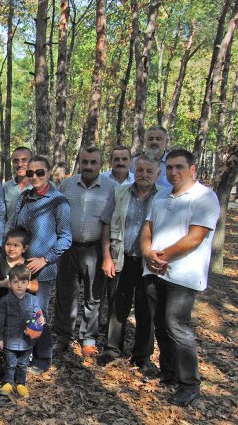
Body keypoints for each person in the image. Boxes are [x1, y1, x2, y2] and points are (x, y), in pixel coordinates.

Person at [140, 149, 219, 407]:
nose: (174, 172)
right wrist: (147, 252)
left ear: (192, 168)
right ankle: (169, 373)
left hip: (182, 275)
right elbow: (147, 228)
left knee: (177, 326)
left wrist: (164, 256)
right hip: (154, 270)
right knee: (160, 323)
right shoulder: (161, 196)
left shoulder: (205, 197)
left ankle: (190, 384)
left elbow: (195, 237)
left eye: (179, 167)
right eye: (170, 167)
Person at [98, 154, 161, 370]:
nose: (144, 175)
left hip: (148, 264)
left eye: (149, 171)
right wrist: (107, 257)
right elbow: (106, 224)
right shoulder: (120, 192)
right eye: (141, 170)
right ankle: (112, 349)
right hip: (121, 258)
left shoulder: (163, 197)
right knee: (117, 306)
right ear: (135, 170)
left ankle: (142, 356)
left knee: (147, 310)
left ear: (157, 174)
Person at [54, 146, 117, 357]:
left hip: (96, 248)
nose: (88, 166)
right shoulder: (67, 185)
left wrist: (108, 254)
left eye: (93, 162)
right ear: (80, 162)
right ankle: (63, 336)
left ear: (101, 164)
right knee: (65, 294)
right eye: (85, 162)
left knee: (93, 296)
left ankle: (88, 338)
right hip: (68, 248)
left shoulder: (111, 188)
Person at [11, 155, 72, 375]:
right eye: (30, 173)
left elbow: (66, 238)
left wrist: (44, 259)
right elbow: (15, 227)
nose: (34, 177)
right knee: (21, 310)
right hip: (20, 267)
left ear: (48, 173)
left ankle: (43, 358)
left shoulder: (59, 201)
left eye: (39, 172)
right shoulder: (24, 197)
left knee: (39, 312)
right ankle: (22, 352)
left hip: (42, 270)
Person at [0, 264, 42, 399]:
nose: (19, 285)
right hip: (10, 340)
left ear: (28, 283)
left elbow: (38, 314)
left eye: (23, 282)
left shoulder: (33, 299)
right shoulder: (5, 300)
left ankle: (21, 383)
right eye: (15, 282)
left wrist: (40, 319)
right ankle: (8, 382)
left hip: (27, 340)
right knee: (10, 363)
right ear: (9, 284)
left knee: (23, 364)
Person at [0, 227, 35, 304]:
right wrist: (2, 284)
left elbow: (36, 286)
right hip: (0, 305)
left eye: (16, 245)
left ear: (25, 248)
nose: (11, 248)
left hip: (22, 307)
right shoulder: (0, 262)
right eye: (8, 244)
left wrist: (25, 285)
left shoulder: (28, 265)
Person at [3, 147, 33, 230]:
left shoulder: (43, 186)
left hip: (34, 241)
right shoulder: (5, 188)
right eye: (16, 161)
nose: (20, 164)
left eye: (24, 160)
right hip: (9, 240)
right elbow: (0, 218)